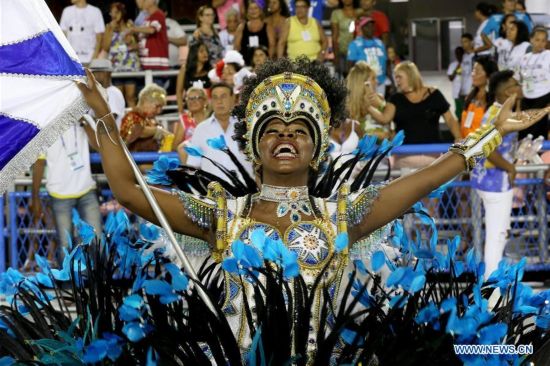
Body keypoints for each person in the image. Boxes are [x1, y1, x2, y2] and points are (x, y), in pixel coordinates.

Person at [77, 56, 549, 359]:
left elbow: (422, 180)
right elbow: (129, 190)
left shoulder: (343, 214)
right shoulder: (221, 216)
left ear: (317, 148)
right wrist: (100, 110)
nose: (286, 136)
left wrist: (490, 134)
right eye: (273, 129)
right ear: (255, 145)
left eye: (299, 128)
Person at [31, 113, 102, 263]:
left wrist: (85, 123)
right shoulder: (46, 123)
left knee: (96, 239)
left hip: (86, 189)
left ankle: (94, 283)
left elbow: (99, 145)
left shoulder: (86, 118)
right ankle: (69, 284)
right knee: (65, 244)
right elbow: (39, 163)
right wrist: (35, 196)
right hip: (59, 193)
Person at [471, 70, 521, 276]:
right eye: (516, 84)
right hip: (496, 183)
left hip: (485, 181)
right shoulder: (501, 116)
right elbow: (488, 148)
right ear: (509, 91)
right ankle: (491, 291)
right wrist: (510, 167)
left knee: (498, 235)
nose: (520, 86)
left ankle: (492, 286)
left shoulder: (494, 110)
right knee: (497, 237)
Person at [367, 61, 462, 168]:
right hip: (403, 158)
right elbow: (384, 118)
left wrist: (458, 137)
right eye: (395, 77)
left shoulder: (434, 94)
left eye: (399, 77)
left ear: (410, 75)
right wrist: (367, 106)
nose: (396, 81)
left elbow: (449, 119)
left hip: (432, 157)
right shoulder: (396, 99)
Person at [186, 83, 253, 181]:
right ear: (210, 101)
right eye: (215, 97)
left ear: (233, 99)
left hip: (245, 191)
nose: (219, 101)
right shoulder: (201, 129)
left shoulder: (247, 126)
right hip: (212, 192)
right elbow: (193, 165)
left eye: (223, 96)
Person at [102, 2, 140, 108]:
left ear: (122, 13)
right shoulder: (109, 27)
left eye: (116, 12)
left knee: (131, 96)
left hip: (129, 66)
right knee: (119, 97)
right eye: (111, 12)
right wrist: (110, 30)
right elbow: (105, 47)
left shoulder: (130, 25)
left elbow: (138, 45)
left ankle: (133, 121)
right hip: (116, 67)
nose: (113, 15)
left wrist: (131, 43)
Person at [519, 27, 550, 140]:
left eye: (543, 40)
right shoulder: (524, 58)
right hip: (527, 96)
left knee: (538, 131)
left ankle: (539, 155)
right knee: (524, 129)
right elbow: (520, 80)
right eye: (537, 39)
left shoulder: (548, 55)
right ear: (531, 40)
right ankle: (522, 157)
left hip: (544, 96)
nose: (540, 43)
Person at [120, 84, 170, 152]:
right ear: (145, 101)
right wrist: (157, 130)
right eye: (157, 106)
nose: (159, 111)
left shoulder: (149, 119)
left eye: (161, 108)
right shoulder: (131, 115)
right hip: (135, 160)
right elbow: (137, 132)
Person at [347, 17, 387, 96]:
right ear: (362, 29)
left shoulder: (380, 43)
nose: (370, 28)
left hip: (380, 82)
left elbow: (386, 62)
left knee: (380, 105)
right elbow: (350, 66)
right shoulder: (354, 44)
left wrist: (391, 81)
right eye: (367, 26)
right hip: (363, 83)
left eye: (372, 26)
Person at [460, 57, 499, 137]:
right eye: (473, 70)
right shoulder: (470, 96)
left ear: (489, 76)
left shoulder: (496, 101)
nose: (473, 74)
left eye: (477, 71)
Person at [59, 0, 105, 65]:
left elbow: (100, 39)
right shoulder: (67, 11)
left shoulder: (95, 12)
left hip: (89, 60)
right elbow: (62, 37)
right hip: (71, 61)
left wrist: (93, 60)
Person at [173, 87, 210, 162]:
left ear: (205, 101)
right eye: (190, 98)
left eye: (197, 98)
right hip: (191, 157)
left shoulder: (212, 118)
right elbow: (175, 146)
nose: (192, 101)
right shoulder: (184, 120)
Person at [131, 0, 169, 70]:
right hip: (145, 63)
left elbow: (151, 30)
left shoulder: (158, 14)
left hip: (156, 63)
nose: (141, 2)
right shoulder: (146, 18)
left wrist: (133, 29)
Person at [89, 59, 126, 130]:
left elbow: (109, 121)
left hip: (110, 139)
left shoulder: (113, 93)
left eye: (95, 72)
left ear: (106, 73)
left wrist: (86, 120)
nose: (93, 76)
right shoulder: (96, 92)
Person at [175, 42, 212, 114]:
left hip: (207, 110)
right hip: (189, 109)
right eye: (202, 51)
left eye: (206, 51)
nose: (205, 54)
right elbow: (179, 91)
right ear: (194, 54)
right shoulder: (184, 69)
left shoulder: (211, 71)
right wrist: (180, 110)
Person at [234, 1, 272, 66]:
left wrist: (268, 62)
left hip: (264, 65)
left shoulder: (268, 27)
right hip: (245, 64)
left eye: (255, 8)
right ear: (247, 11)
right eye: (251, 8)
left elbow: (272, 46)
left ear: (260, 10)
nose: (253, 11)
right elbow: (236, 47)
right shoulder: (241, 27)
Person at [331, 0, 361, 77]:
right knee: (344, 79)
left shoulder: (360, 12)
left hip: (358, 51)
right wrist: (336, 56)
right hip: (343, 52)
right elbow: (334, 36)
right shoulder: (336, 13)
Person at [447, 46, 465, 120]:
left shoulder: (467, 64)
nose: (459, 55)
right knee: (458, 111)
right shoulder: (453, 65)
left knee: (466, 110)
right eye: (457, 54)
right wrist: (456, 69)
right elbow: (450, 78)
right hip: (456, 92)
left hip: (466, 92)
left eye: (460, 53)